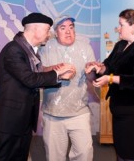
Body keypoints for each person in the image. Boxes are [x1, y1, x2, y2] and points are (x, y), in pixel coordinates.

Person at [0, 12, 75, 161]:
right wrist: (58, 73)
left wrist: (57, 73)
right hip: (9, 120)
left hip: (23, 119)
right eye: (47, 30)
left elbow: (36, 74)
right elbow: (29, 79)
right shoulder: (13, 50)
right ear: (36, 29)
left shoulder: (28, 52)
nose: (49, 35)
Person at [85, 9, 134, 161]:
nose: (118, 29)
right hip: (122, 108)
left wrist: (111, 78)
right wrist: (99, 68)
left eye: (121, 25)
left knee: (132, 155)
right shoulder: (121, 45)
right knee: (121, 152)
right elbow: (109, 66)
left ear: (133, 27)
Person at [39, 15, 96, 161]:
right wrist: (57, 69)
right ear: (55, 32)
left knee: (84, 152)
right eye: (63, 28)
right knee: (54, 156)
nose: (68, 31)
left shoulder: (85, 47)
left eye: (71, 27)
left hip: (79, 112)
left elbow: (91, 78)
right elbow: (39, 72)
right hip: (53, 113)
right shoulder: (46, 48)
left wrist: (92, 71)